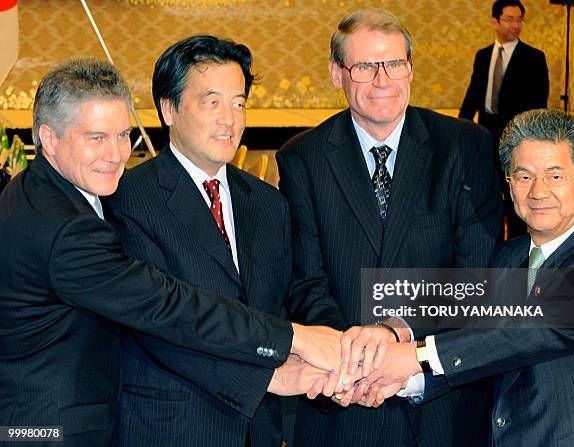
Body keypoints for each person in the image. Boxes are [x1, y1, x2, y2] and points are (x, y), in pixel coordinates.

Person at [0, 58, 340, 447]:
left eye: (123, 134)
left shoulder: (38, 192)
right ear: (48, 139)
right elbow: (170, 306)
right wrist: (294, 339)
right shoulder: (65, 228)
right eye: (96, 138)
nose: (115, 154)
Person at [276, 8, 503, 447]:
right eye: (364, 66)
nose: (383, 79)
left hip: (440, 405)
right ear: (336, 74)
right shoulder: (302, 158)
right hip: (341, 404)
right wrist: (354, 361)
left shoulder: (464, 147)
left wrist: (397, 333)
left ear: (410, 69)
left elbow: (478, 277)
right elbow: (306, 282)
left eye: (394, 63)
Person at [103, 35, 322, 447]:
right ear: (168, 109)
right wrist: (266, 378)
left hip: (259, 429)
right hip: (171, 426)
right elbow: (158, 326)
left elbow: (279, 308)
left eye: (239, 103)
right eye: (212, 102)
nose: (230, 119)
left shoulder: (268, 203)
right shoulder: (129, 198)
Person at [362, 109, 574, 447]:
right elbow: (477, 335)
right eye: (523, 176)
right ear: (508, 183)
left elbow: (522, 332)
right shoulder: (508, 257)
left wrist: (415, 356)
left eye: (555, 176)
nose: (537, 192)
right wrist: (404, 373)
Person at [459, 0, 549, 238]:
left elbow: (539, 105)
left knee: (516, 196)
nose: (516, 25)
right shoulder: (483, 55)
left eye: (519, 19)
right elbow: (473, 95)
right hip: (485, 135)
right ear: (495, 21)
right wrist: (462, 128)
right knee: (486, 195)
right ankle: (490, 243)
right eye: (510, 19)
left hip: (517, 138)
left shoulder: (534, 58)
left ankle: (518, 249)